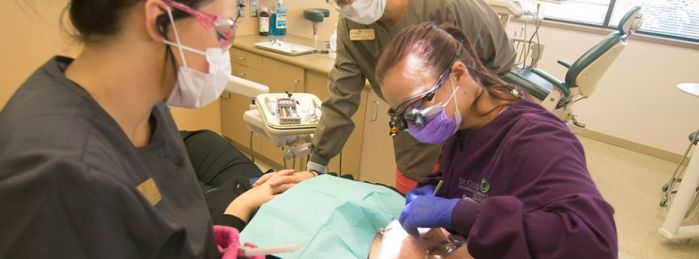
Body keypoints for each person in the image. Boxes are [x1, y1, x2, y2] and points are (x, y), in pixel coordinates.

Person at [0, 0, 313, 258]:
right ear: (160, 18)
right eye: (222, 32)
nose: (224, 54)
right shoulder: (60, 179)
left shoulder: (146, 105)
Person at [375, 22, 618, 258]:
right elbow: (467, 176)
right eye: (403, 115)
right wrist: (433, 187)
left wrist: (462, 213)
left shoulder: (535, 138)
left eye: (419, 104)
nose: (416, 122)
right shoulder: (465, 123)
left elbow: (595, 244)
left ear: (458, 74)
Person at [309, 0, 516, 193]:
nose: (347, 6)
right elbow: (341, 98)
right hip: (415, 139)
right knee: (410, 216)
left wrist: (461, 106)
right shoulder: (350, 26)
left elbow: (501, 63)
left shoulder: (448, 6)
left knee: (465, 216)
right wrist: (316, 164)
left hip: (472, 137)